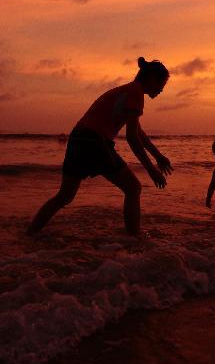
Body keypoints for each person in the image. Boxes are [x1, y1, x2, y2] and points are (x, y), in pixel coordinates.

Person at [28, 57, 173, 236]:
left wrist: (158, 156)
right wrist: (151, 170)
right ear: (151, 78)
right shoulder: (135, 92)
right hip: (94, 141)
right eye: (161, 84)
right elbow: (132, 138)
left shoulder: (128, 90)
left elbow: (139, 133)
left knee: (64, 196)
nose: (161, 90)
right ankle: (135, 238)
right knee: (133, 188)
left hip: (78, 139)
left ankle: (29, 234)